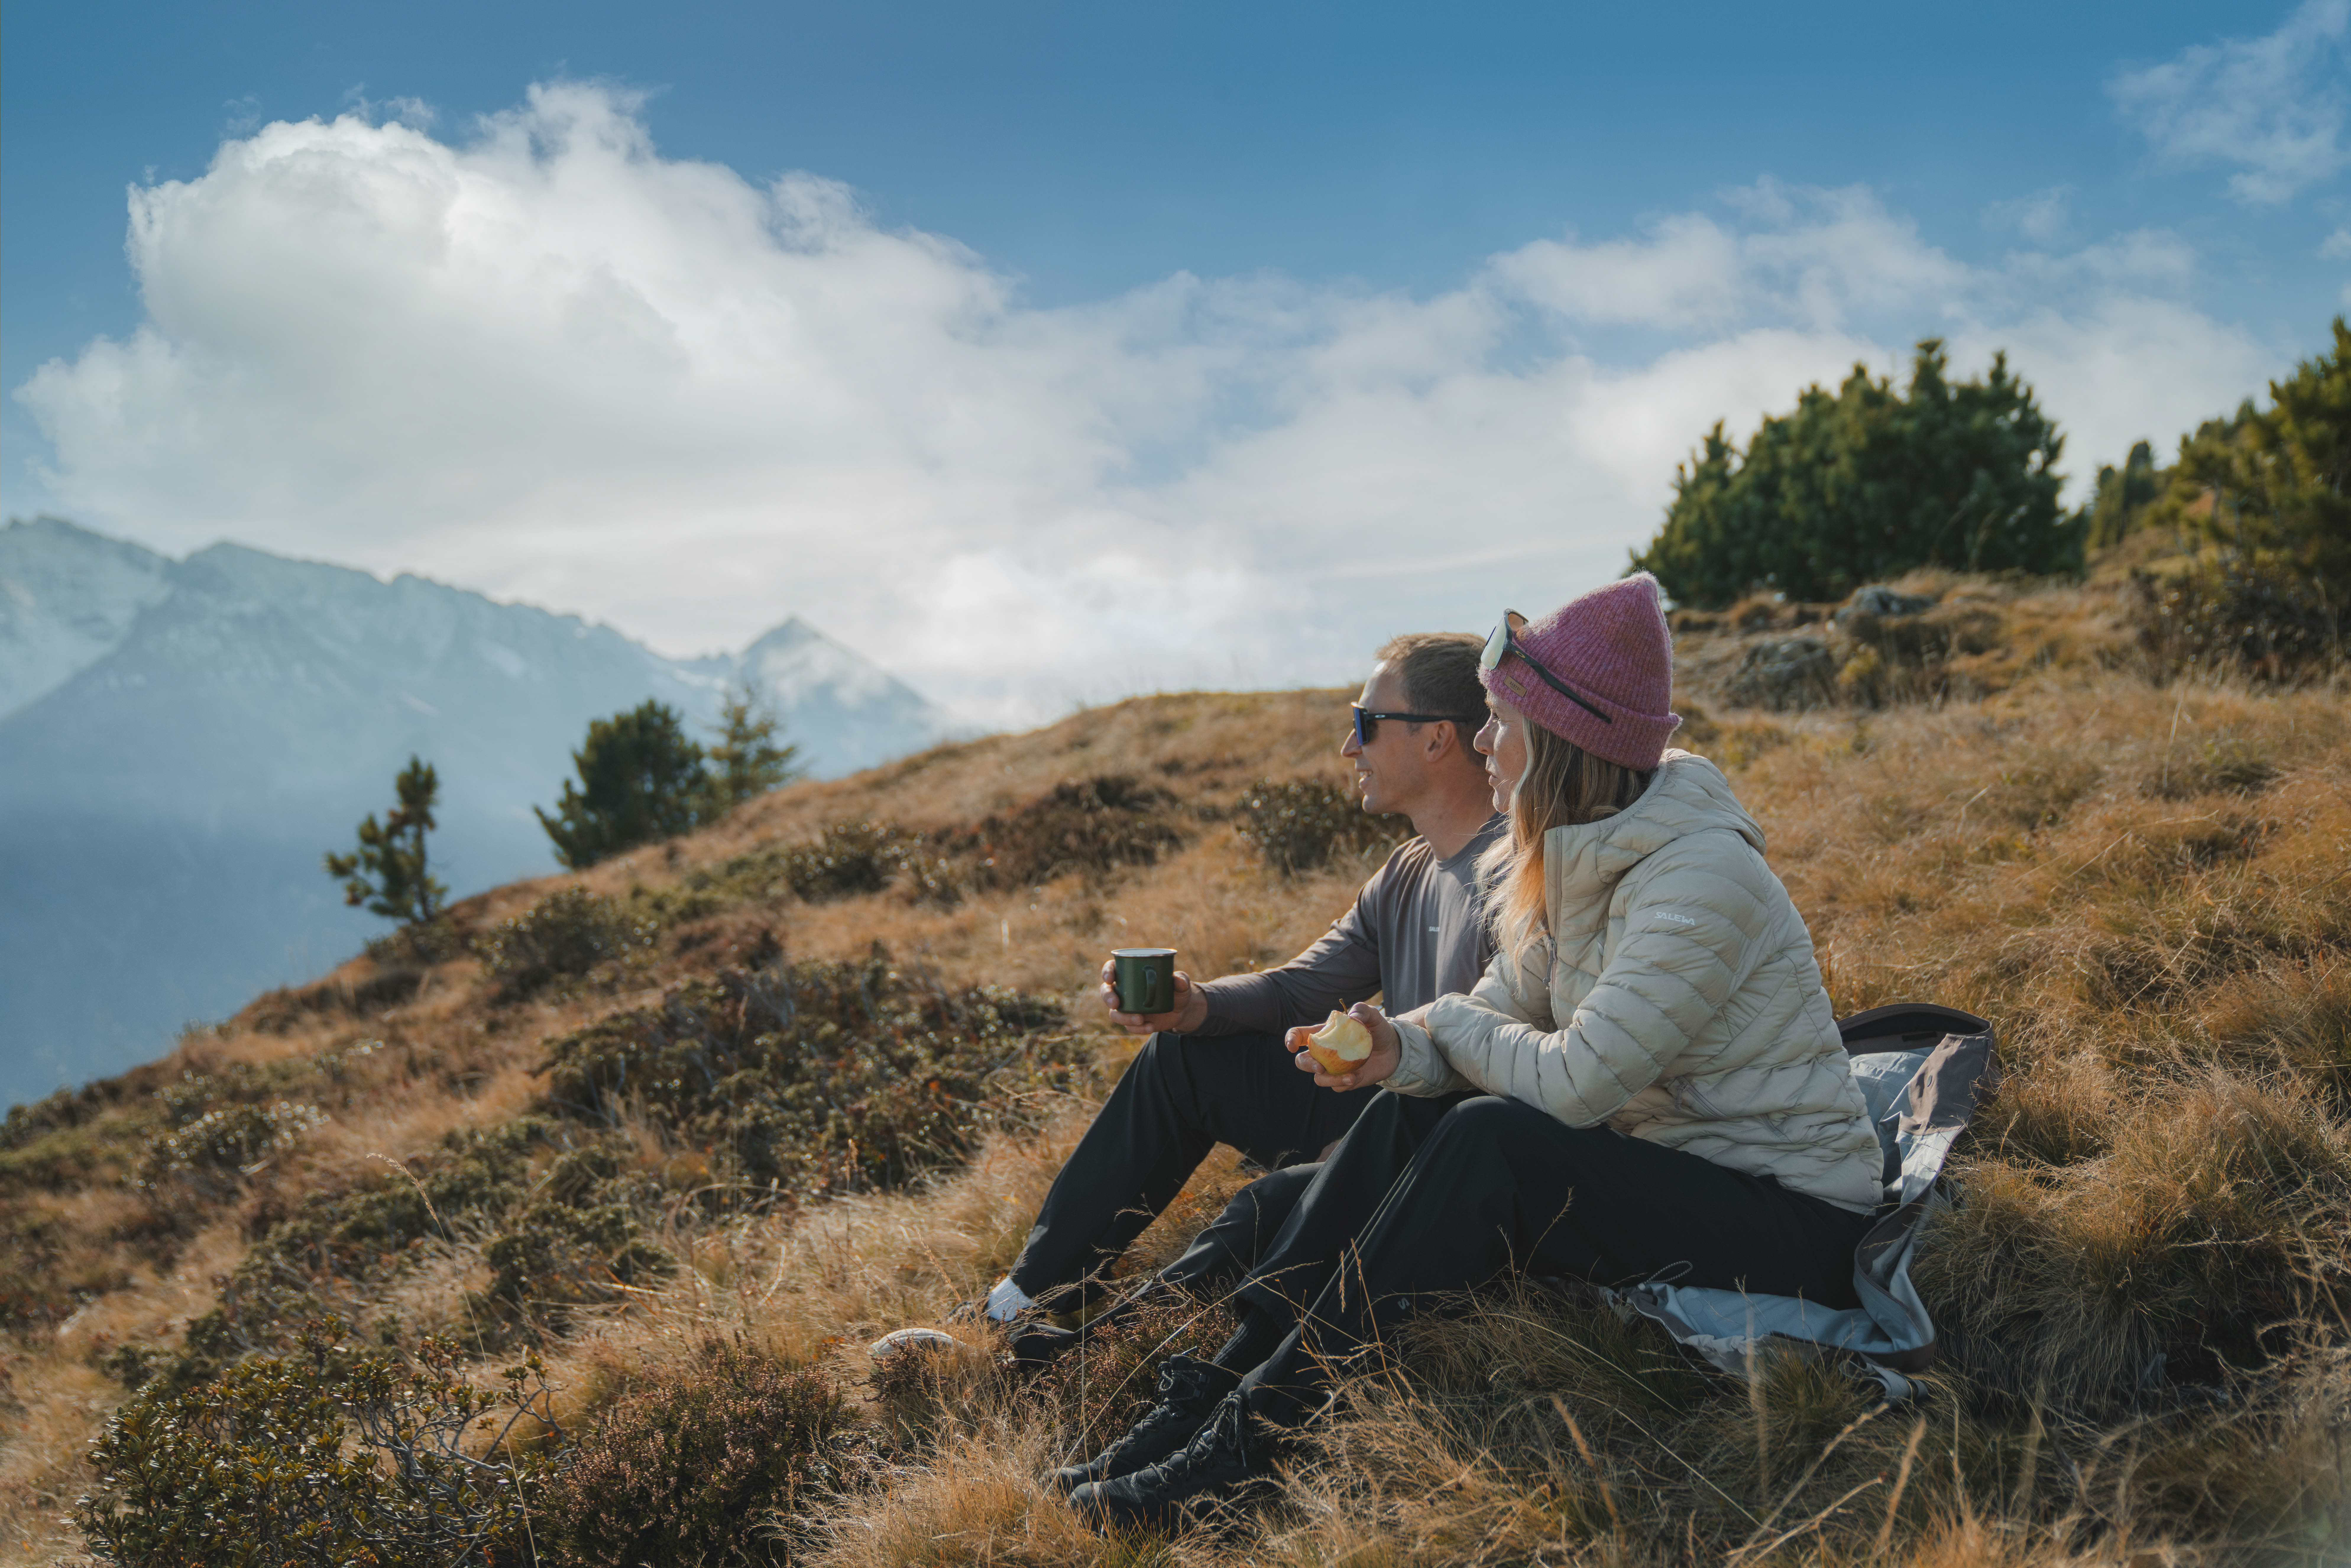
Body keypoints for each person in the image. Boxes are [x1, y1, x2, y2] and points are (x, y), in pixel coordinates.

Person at [1064, 575, 1887, 1528]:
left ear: (1564, 740)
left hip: (1792, 1220)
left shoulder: (1700, 878)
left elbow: (1578, 1082)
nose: (1486, 742)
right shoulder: (1581, 851)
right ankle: (1217, 1393)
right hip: (1677, 1165)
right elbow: (1497, 1004)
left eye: (1500, 723)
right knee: (1417, 1107)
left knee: (1492, 1136)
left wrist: (1442, 1031)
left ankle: (1254, 1444)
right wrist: (1395, 1046)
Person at [965, 632, 1504, 1347]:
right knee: (1180, 1057)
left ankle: (1085, 1360)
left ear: (1438, 739)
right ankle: (1025, 1297)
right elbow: (1302, 984)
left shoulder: (1517, 877)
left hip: (1442, 1158)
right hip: (1375, 1111)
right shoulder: (1407, 871)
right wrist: (1196, 1005)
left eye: (1366, 723)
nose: (1350, 748)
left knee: (1269, 1204)